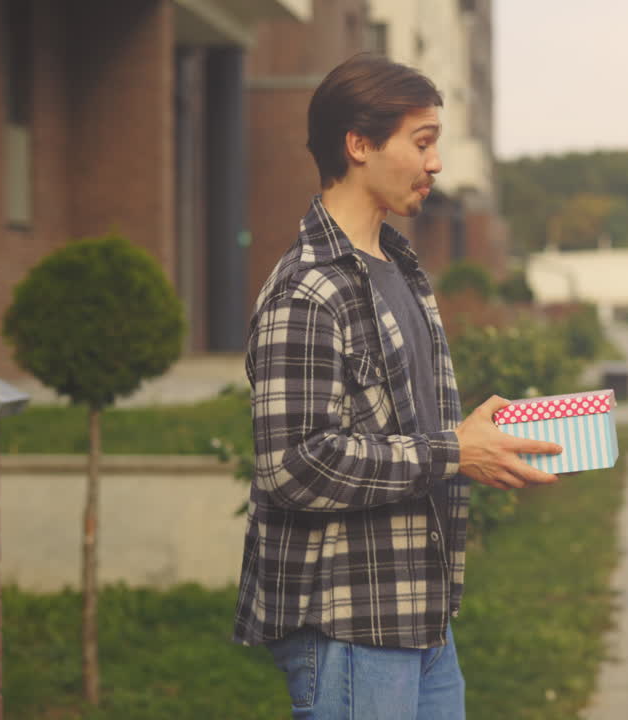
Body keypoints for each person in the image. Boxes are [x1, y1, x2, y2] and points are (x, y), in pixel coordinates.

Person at [232, 53, 562, 720]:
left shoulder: (398, 266)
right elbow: (294, 466)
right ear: (358, 145)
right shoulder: (308, 289)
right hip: (348, 624)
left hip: (419, 612)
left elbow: (399, 433)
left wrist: (476, 443)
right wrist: (452, 452)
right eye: (422, 142)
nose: (435, 163)